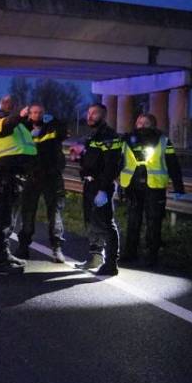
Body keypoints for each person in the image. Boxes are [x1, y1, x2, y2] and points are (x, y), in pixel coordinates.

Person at [120, 113, 185, 266]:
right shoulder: (127, 140)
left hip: (154, 187)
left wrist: (178, 187)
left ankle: (151, 255)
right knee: (133, 221)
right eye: (139, 122)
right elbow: (119, 161)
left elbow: (173, 164)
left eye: (146, 122)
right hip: (132, 186)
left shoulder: (163, 141)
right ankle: (130, 253)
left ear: (153, 124)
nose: (141, 125)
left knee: (154, 221)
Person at [14, 103, 68, 263]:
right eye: (34, 112)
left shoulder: (52, 127)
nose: (37, 115)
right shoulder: (24, 128)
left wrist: (55, 120)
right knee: (28, 213)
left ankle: (57, 248)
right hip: (32, 176)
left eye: (40, 112)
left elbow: (63, 132)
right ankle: (23, 247)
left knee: (55, 213)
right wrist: (20, 117)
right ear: (29, 114)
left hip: (52, 177)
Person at [0, 95, 37, 274]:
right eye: (7, 103)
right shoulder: (0, 120)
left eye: (12, 103)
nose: (10, 105)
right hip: (5, 175)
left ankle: (4, 254)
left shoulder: (19, 125)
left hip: (15, 176)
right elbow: (5, 127)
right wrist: (19, 116)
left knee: (9, 220)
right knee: (3, 220)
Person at [77, 103, 123, 276]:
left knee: (106, 223)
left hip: (101, 185)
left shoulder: (109, 136)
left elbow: (111, 165)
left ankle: (111, 264)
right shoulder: (93, 136)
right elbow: (91, 161)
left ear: (103, 116)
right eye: (88, 113)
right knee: (91, 222)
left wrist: (103, 189)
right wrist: (79, 156)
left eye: (94, 113)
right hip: (89, 184)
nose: (89, 116)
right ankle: (96, 257)